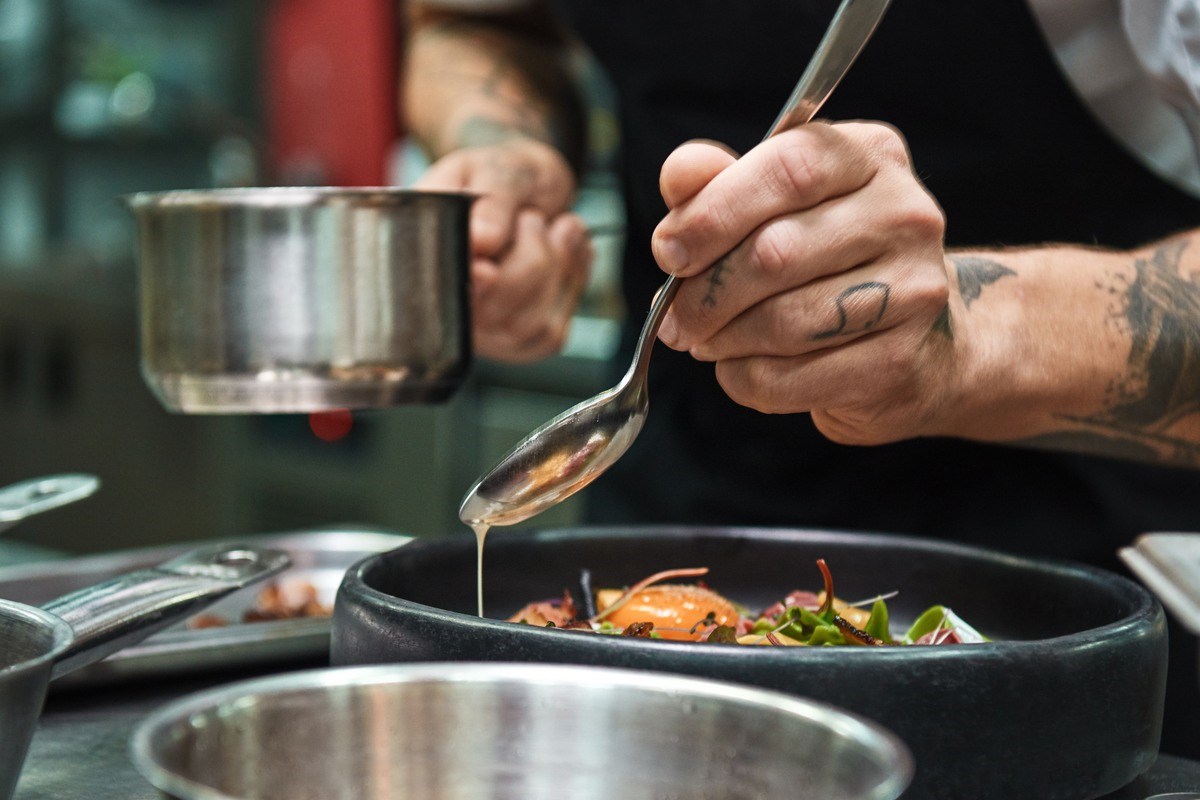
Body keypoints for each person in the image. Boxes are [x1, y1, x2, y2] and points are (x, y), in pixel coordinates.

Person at [403, 0, 1200, 756]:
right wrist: (508, 148)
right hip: (676, 491)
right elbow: (474, 20)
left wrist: (974, 333)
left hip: (1074, 586)